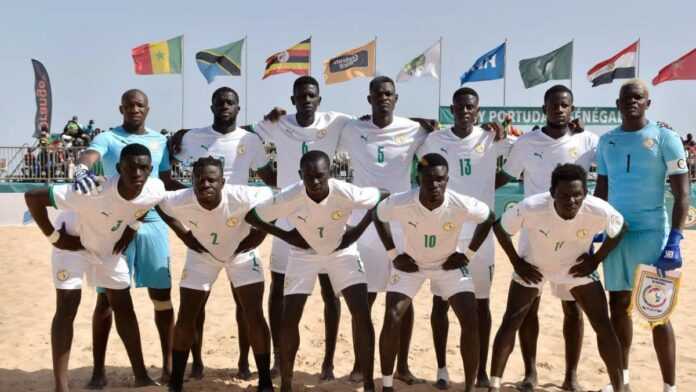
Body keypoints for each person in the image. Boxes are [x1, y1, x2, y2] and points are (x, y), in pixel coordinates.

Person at [24, 143, 165, 391]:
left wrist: (132, 228)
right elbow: (33, 197)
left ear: (151, 169)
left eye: (144, 168)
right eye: (131, 167)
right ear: (119, 168)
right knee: (67, 306)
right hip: (72, 246)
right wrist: (55, 237)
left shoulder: (154, 188)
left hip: (108, 249)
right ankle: (61, 387)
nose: (138, 173)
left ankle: (141, 376)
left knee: (123, 305)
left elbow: (144, 206)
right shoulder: (92, 191)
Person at [246, 150, 387, 392]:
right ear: (300, 175)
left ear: (330, 174)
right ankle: (287, 385)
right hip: (304, 255)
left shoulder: (345, 191)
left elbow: (382, 197)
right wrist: (287, 236)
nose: (314, 182)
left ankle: (368, 384)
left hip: (342, 252)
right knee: (289, 318)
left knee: (361, 313)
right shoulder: (290, 196)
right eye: (308, 176)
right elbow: (253, 216)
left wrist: (356, 230)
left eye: (320, 176)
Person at [74, 89, 184, 386]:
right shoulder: (109, 137)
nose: (134, 109)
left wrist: (194, 192)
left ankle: (169, 367)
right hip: (113, 224)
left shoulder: (160, 141)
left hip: (152, 223)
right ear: (120, 108)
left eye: (140, 105)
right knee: (106, 302)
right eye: (129, 105)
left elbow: (165, 180)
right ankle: (99, 371)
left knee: (161, 297)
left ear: (148, 108)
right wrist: (82, 168)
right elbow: (90, 155)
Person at [250, 76, 354, 378]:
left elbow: (370, 124)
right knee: (279, 288)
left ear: (319, 100)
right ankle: (279, 358)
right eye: (301, 96)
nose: (307, 100)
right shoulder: (277, 123)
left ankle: (329, 361)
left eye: (312, 95)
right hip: (288, 216)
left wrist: (420, 121)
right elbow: (248, 137)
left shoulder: (336, 121)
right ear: (292, 100)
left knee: (329, 292)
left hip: (325, 216)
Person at [489, 163, 627, 392]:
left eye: (577, 195)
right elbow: (500, 228)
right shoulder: (532, 206)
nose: (571, 200)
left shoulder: (597, 208)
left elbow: (620, 228)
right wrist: (517, 262)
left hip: (575, 269)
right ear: (552, 193)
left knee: (603, 324)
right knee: (512, 320)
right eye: (564, 195)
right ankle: (495, 386)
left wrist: (595, 260)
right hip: (535, 266)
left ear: (585, 193)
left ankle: (617, 387)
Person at [171, 86, 274, 379]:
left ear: (238, 108)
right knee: (196, 306)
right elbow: (169, 168)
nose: (225, 106)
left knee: (245, 306)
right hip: (203, 229)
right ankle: (197, 361)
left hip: (239, 227)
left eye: (230, 102)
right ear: (212, 106)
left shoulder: (249, 140)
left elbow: (269, 181)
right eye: (220, 102)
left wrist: (260, 228)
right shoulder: (192, 137)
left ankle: (244, 361)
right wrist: (192, 199)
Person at [594, 79, 690, 392]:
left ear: (647, 103)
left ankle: (669, 386)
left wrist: (675, 238)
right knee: (618, 306)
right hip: (617, 235)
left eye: (638, 97)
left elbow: (682, 194)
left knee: (658, 312)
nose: (632, 102)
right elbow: (602, 190)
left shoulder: (666, 138)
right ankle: (622, 380)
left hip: (653, 235)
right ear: (617, 104)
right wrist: (594, 230)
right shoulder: (606, 141)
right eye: (626, 98)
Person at [500, 84, 597, 392]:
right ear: (544, 108)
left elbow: (609, 173)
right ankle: (530, 373)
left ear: (572, 109)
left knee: (573, 307)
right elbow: (505, 175)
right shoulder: (527, 142)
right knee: (530, 306)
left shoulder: (588, 141)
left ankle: (571, 376)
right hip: (534, 236)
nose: (559, 109)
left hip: (575, 238)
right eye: (553, 104)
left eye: (565, 105)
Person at [416, 87, 513, 388]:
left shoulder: (491, 138)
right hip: (446, 231)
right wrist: (421, 120)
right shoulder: (434, 140)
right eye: (459, 107)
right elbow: (412, 150)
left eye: (470, 107)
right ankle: (442, 369)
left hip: (481, 234)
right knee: (440, 302)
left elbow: (513, 166)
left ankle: (480, 369)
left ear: (478, 110)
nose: (465, 111)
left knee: (481, 303)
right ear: (452, 109)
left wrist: (486, 188)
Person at [374, 153, 495, 392]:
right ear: (418, 178)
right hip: (411, 266)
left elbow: (489, 217)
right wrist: (393, 255)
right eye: (428, 178)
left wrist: (467, 255)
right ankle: (387, 385)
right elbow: (377, 215)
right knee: (393, 316)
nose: (435, 184)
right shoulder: (402, 201)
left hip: (448, 266)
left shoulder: (460, 202)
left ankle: (470, 387)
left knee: (470, 318)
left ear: (447, 179)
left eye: (440, 179)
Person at [336, 76, 428, 383]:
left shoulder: (414, 130)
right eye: (378, 94)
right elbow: (315, 131)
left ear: (396, 98)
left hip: (402, 224)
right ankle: (361, 365)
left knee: (404, 296)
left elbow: (444, 141)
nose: (383, 98)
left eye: (388, 94)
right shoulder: (352, 129)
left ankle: (402, 365)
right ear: (369, 99)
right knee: (364, 300)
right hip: (364, 224)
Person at [156, 156, 274, 392]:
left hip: (241, 253)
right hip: (202, 255)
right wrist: (183, 234)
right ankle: (176, 382)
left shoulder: (242, 195)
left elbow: (275, 200)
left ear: (222, 182)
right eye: (200, 180)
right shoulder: (181, 199)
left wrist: (260, 234)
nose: (206, 185)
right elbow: (159, 203)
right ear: (192, 180)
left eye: (212, 180)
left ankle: (265, 381)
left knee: (254, 314)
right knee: (186, 315)